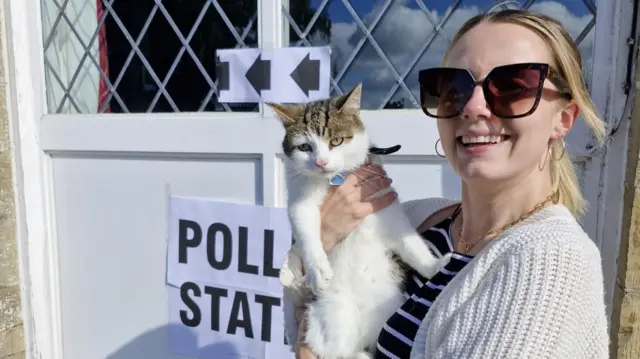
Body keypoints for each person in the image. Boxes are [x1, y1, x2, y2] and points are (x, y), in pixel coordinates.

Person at [281, 8, 610, 359]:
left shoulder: (548, 262)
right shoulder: (425, 217)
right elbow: (300, 320)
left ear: (563, 119)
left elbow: (305, 345)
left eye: (513, 86)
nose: (473, 107)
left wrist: (308, 351)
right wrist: (320, 239)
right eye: (454, 88)